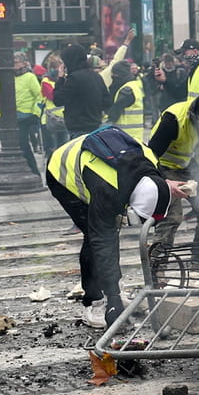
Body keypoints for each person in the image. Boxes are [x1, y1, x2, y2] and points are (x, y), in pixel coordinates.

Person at [46, 128, 182, 328]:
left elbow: (156, 181)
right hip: (62, 172)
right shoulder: (107, 190)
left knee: (111, 232)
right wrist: (114, 301)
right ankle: (95, 302)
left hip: (99, 163)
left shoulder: (150, 161)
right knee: (95, 238)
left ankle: (114, 287)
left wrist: (167, 186)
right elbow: (102, 239)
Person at [147, 91, 199, 254]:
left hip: (191, 168)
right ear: (195, 114)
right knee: (172, 217)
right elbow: (150, 157)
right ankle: (158, 267)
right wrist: (165, 183)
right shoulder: (174, 119)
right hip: (163, 168)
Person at [53, 43, 110, 139]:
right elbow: (107, 101)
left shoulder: (74, 78)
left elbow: (58, 100)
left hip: (78, 127)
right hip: (95, 126)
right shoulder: (96, 76)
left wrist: (60, 79)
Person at [12, 52, 42, 176]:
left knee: (23, 144)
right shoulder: (9, 77)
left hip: (27, 115)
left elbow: (39, 95)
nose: (14, 65)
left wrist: (35, 113)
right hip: (13, 115)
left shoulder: (30, 77)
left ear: (24, 63)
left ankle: (33, 170)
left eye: (16, 62)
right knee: (16, 145)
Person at [106, 60, 146, 143]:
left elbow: (115, 112)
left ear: (120, 74)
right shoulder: (134, 85)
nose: (113, 77)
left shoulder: (126, 90)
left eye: (114, 74)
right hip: (135, 134)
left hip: (124, 135)